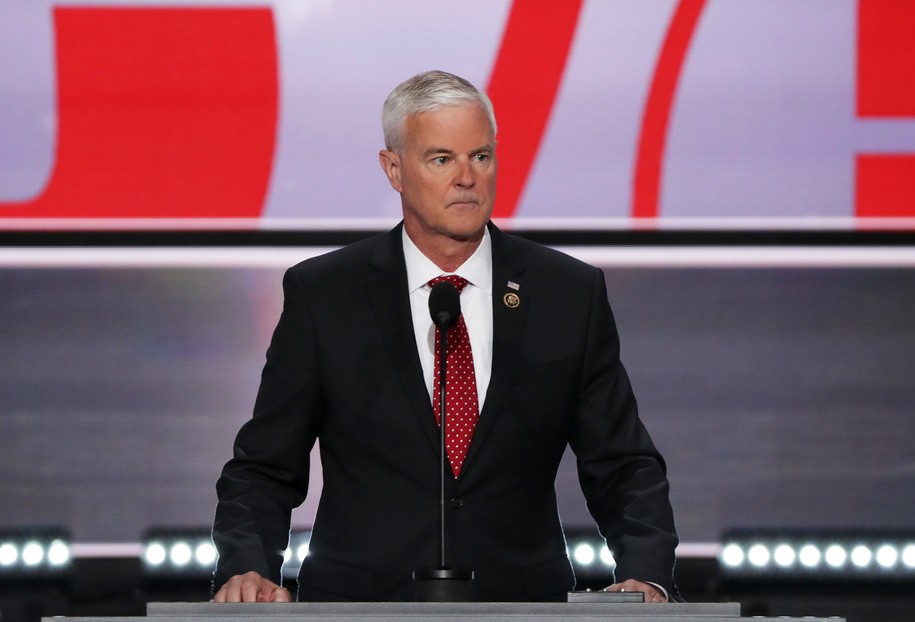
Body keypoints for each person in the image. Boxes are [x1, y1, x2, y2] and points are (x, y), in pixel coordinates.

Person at [211, 70, 679, 603]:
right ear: (394, 170)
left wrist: (647, 572)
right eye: (441, 159)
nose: (467, 178)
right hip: (359, 607)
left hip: (522, 606)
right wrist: (247, 567)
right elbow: (264, 467)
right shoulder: (325, 295)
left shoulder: (566, 293)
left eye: (481, 156)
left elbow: (622, 463)